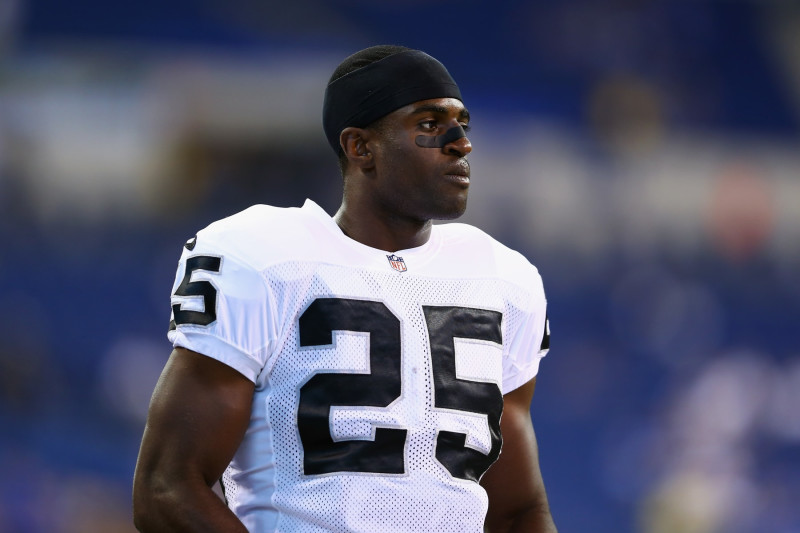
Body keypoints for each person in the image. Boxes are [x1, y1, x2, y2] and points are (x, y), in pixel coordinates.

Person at [133, 45, 557, 533]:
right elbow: (167, 488)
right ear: (360, 147)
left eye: (462, 123)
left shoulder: (504, 278)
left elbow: (518, 510)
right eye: (428, 124)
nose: (460, 142)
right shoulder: (264, 258)